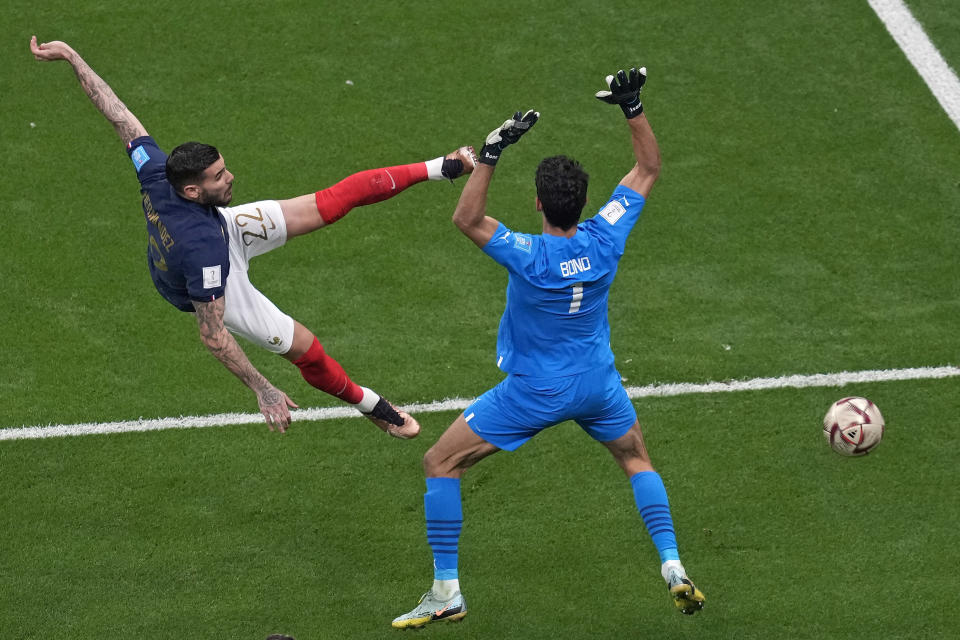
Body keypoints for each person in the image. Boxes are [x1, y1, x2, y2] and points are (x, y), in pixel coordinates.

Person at [29, 36, 477, 436]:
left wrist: (72, 55)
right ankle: (372, 406)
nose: (231, 178)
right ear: (191, 190)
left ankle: (445, 167)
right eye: (219, 177)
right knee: (307, 350)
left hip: (220, 229)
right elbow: (213, 336)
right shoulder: (202, 254)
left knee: (331, 201)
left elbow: (119, 115)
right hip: (219, 282)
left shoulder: (156, 172)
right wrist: (263, 389)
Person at [391, 67, 705, 628]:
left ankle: (446, 592)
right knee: (635, 459)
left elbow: (466, 218)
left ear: (538, 203)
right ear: (584, 202)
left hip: (535, 391)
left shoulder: (527, 253)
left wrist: (491, 152)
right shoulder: (606, 234)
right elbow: (649, 167)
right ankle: (673, 566)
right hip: (598, 385)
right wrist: (631, 105)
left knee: (440, 461)